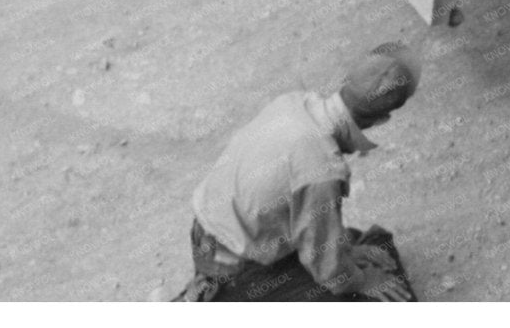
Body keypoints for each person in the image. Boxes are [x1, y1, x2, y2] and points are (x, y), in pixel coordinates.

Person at [173, 44, 421, 302]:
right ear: (382, 119)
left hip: (209, 236)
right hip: (234, 267)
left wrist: (343, 251)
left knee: (350, 245)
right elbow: (329, 271)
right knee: (368, 288)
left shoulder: (293, 103)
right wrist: (364, 279)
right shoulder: (321, 171)